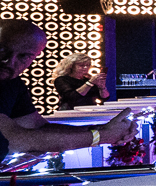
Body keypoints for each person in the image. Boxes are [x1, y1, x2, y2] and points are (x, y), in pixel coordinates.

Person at [0, 21, 136, 160]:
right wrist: (102, 136)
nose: (9, 61)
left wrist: (100, 129)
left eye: (24, 56)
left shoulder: (14, 82)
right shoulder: (62, 80)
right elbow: (12, 139)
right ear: (71, 65)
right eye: (2, 50)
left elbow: (36, 126)